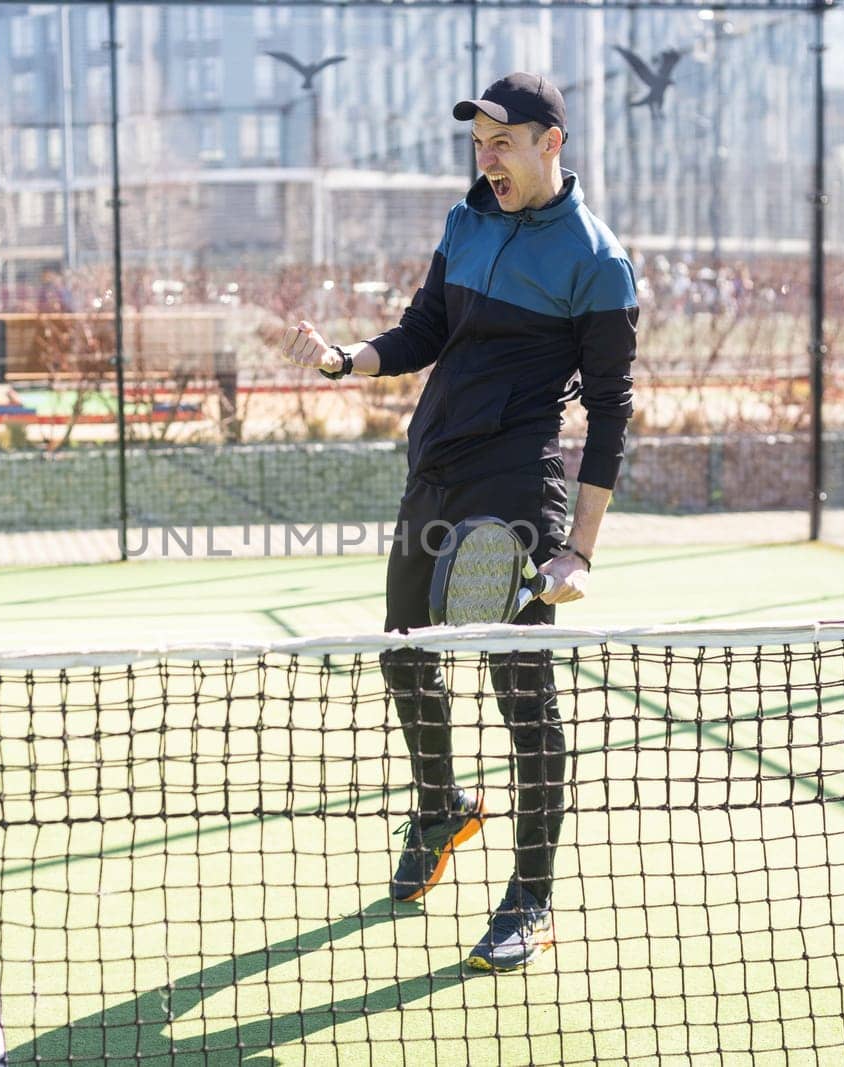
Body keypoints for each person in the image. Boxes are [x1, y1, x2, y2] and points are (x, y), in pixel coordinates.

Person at [277, 72, 638, 972]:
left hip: (516, 493)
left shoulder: (597, 260)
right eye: (479, 144)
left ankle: (531, 896)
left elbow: (612, 412)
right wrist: (344, 360)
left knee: (525, 699)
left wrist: (578, 547)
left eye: (503, 143)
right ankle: (442, 806)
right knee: (405, 653)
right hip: (432, 471)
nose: (488, 159)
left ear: (550, 143)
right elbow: (423, 328)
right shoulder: (466, 219)